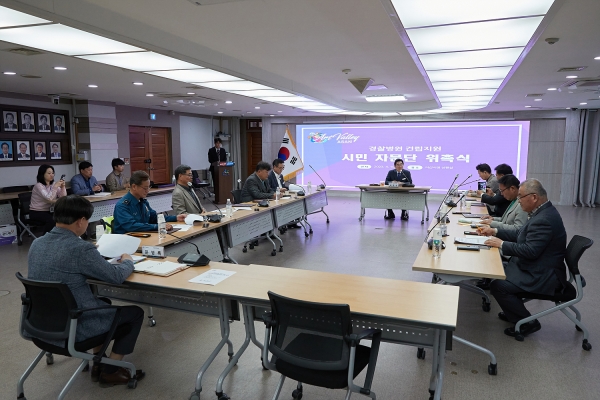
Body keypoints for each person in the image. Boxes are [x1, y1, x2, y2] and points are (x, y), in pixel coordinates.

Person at [27, 195, 145, 386]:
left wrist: (90, 253)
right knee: (135, 313)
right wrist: (128, 262)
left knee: (103, 302)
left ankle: (98, 361)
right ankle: (111, 370)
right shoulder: (80, 249)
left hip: (41, 323)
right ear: (81, 221)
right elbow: (115, 276)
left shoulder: (37, 243)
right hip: (74, 325)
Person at [483, 179, 567, 338]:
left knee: (498, 285)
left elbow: (530, 251)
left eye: (520, 197)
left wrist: (502, 244)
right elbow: (520, 234)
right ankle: (513, 311)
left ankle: (527, 322)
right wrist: (495, 231)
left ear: (534, 197)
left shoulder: (544, 219)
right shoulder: (542, 212)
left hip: (544, 275)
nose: (518, 200)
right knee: (498, 270)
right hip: (538, 266)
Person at [475, 174, 528, 290]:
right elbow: (506, 220)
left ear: (512, 188)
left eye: (502, 191)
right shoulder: (514, 201)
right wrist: (492, 219)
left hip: (510, 244)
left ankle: (488, 276)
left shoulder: (522, 204)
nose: (501, 194)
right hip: (504, 237)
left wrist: (493, 226)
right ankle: (486, 276)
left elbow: (517, 229)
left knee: (485, 246)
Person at [112, 170, 186, 234]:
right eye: (145, 188)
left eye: (148, 187)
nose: (147, 191)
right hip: (127, 240)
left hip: (143, 236)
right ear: (134, 187)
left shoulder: (143, 201)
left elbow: (153, 218)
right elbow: (131, 226)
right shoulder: (122, 206)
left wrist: (175, 218)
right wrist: (156, 226)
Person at [30, 164, 67, 233]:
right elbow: (49, 198)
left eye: (53, 173)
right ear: (42, 174)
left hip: (50, 211)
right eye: (49, 173)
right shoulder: (39, 186)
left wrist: (63, 187)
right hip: (37, 212)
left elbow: (63, 197)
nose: (52, 175)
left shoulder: (53, 184)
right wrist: (55, 187)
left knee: (63, 217)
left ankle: (59, 236)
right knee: (52, 220)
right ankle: (46, 238)